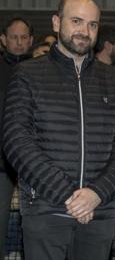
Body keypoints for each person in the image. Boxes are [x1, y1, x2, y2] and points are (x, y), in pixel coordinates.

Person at [2, 0, 115, 260]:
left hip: (99, 213)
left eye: (92, 25)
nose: (84, 32)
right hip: (45, 210)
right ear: (56, 22)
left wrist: (96, 194)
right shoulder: (27, 74)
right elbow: (16, 140)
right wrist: (69, 196)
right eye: (76, 21)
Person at [0, 17, 34, 257]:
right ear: (3, 40)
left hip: (34, 164)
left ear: (31, 40)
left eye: (24, 37)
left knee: (35, 222)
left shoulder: (42, 70)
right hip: (1, 164)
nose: (19, 42)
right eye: (14, 37)